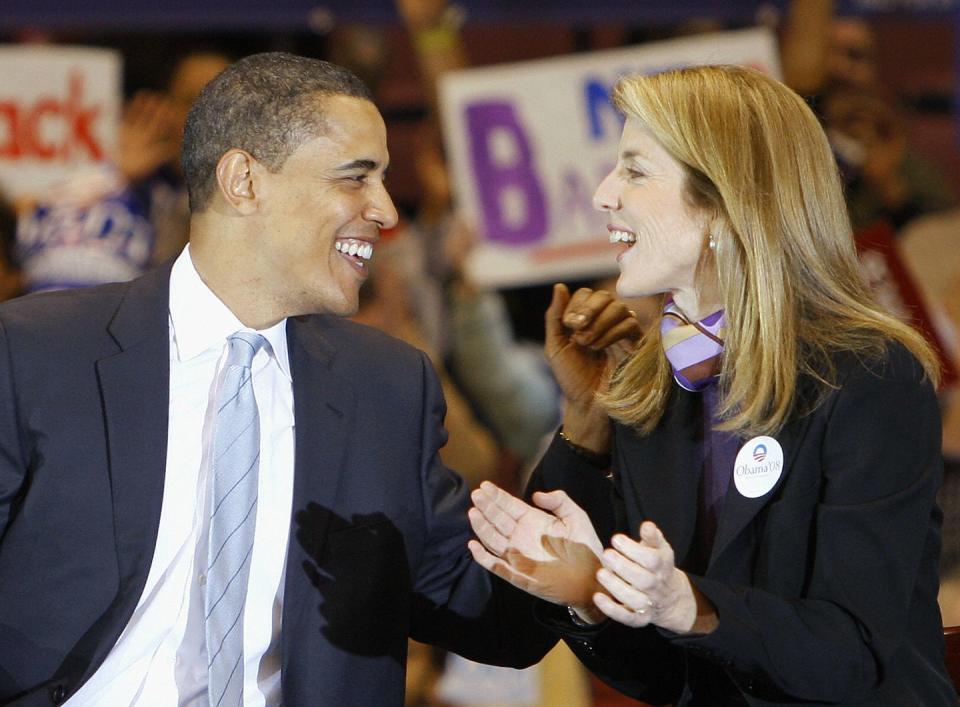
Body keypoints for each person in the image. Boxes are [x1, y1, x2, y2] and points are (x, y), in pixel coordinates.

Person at [0, 53, 646, 706]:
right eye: (355, 177)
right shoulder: (37, 354)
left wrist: (586, 425)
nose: (387, 210)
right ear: (244, 181)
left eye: (385, 179)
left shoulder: (384, 387)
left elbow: (496, 617)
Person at [467, 65, 955, 704]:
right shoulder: (653, 382)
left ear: (727, 205)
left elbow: (853, 655)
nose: (604, 194)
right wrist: (591, 595)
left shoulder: (869, 375)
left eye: (636, 171)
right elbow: (670, 678)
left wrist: (689, 604)